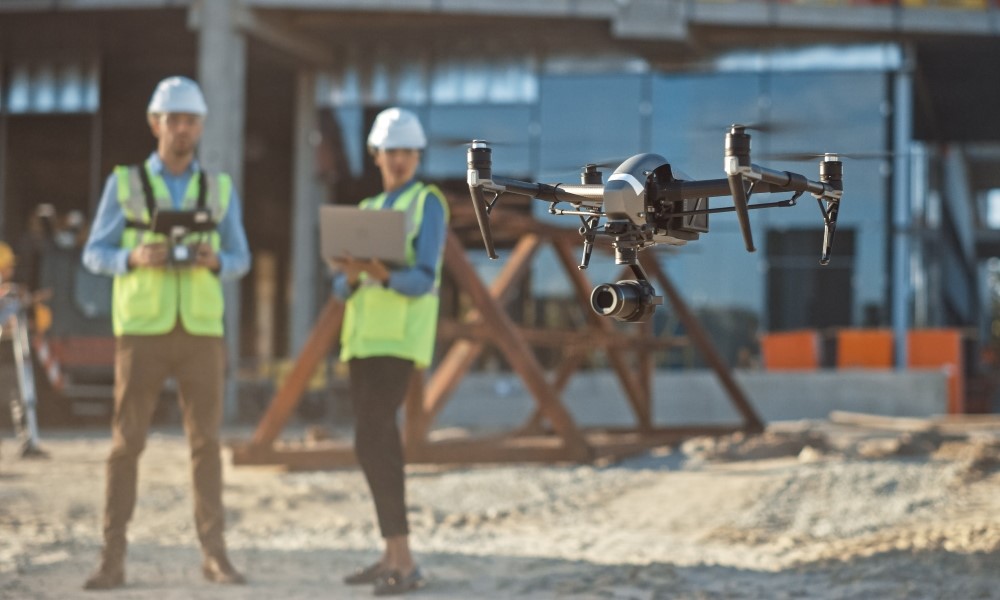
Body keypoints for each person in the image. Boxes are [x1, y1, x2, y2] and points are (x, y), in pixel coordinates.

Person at [80, 76, 251, 591]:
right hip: (142, 332)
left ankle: (214, 554)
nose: (182, 129)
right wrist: (131, 256)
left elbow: (240, 257)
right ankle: (112, 559)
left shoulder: (219, 189)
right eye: (173, 120)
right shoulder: (125, 184)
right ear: (156, 123)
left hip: (200, 331)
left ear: (200, 127)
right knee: (125, 445)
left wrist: (216, 258)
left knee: (206, 445)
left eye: (191, 121)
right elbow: (93, 252)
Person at [331, 107, 448, 596]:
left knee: (377, 441)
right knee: (370, 443)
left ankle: (405, 559)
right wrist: (353, 273)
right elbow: (340, 290)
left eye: (406, 152)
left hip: (399, 341)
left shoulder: (428, 202)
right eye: (390, 151)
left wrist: (382, 275)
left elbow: (424, 278)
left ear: (417, 155)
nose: (398, 160)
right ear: (375, 154)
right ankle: (391, 554)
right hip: (362, 342)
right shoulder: (370, 205)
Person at [0, 241, 48, 459]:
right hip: (5, 355)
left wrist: (26, 300)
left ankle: (28, 442)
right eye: (8, 266)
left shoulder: (11, 292)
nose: (12, 270)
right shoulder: (7, 293)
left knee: (21, 397)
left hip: (11, 354)